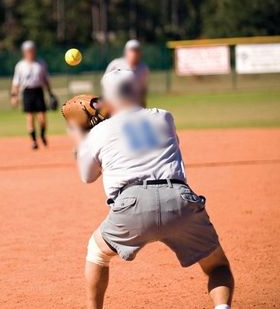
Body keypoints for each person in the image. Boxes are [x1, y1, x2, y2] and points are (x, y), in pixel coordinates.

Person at [67, 69, 234, 309]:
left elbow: (87, 177)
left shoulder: (99, 131)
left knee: (97, 252)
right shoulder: (165, 117)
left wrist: (81, 139)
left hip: (130, 206)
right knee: (217, 267)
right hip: (179, 200)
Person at [11, 40, 53, 150]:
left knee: (42, 118)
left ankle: (42, 135)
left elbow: (45, 79)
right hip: (27, 92)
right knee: (30, 118)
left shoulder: (40, 63)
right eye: (28, 51)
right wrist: (14, 96)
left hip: (38, 91)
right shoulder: (20, 65)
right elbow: (16, 83)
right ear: (24, 52)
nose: (30, 52)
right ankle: (34, 141)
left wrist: (50, 93)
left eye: (32, 50)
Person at [105, 40, 149, 107]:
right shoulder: (115, 64)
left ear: (140, 53)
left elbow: (143, 89)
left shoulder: (143, 68)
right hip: (115, 102)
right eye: (132, 51)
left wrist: (142, 104)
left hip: (134, 104)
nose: (134, 54)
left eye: (136, 51)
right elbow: (105, 81)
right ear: (126, 52)